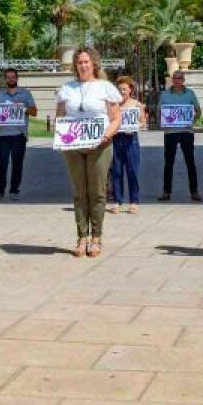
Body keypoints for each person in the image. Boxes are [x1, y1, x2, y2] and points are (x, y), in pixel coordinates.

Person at [56, 47, 122, 258]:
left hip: (100, 147)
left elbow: (116, 119)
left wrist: (104, 137)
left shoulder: (105, 87)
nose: (83, 65)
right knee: (79, 193)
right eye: (79, 62)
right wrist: (61, 136)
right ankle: (81, 237)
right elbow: (60, 118)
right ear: (75, 66)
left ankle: (96, 238)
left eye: (86, 62)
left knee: (97, 192)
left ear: (94, 64)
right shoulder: (67, 89)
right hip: (73, 148)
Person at [0, 69, 37, 201]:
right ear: (5, 79)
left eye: (13, 77)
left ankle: (14, 190)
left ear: (17, 78)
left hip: (19, 134)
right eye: (8, 77)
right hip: (3, 135)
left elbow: (34, 112)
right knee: (1, 164)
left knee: (17, 164)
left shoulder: (25, 93)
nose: (11, 79)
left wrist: (22, 107)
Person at [157, 70, 202, 202]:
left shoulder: (190, 93)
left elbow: (198, 110)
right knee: (168, 163)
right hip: (170, 133)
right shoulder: (164, 94)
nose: (177, 80)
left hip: (186, 132)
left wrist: (191, 121)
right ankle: (166, 192)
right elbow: (159, 111)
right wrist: (163, 121)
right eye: (175, 78)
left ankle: (194, 192)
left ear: (183, 80)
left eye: (179, 78)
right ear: (172, 79)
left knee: (190, 162)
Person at [109, 75, 146, 215]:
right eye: (119, 89)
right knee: (117, 172)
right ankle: (117, 201)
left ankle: (134, 202)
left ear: (130, 90)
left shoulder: (137, 105)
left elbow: (143, 122)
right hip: (117, 140)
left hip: (132, 141)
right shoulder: (113, 105)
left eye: (124, 89)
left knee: (132, 171)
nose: (122, 92)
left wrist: (135, 126)